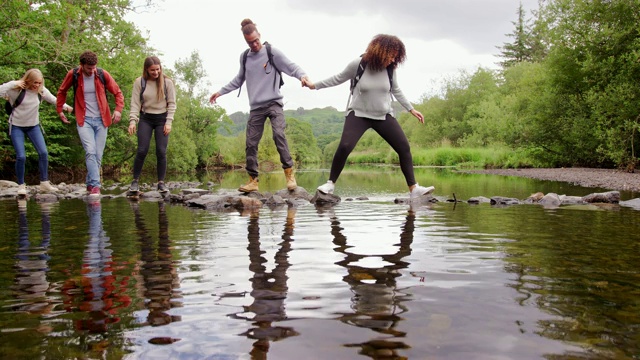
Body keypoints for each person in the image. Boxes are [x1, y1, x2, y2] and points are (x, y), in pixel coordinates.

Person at [304, 34, 435, 198]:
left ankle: (414, 189)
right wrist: (314, 85)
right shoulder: (359, 64)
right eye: (390, 55)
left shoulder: (390, 69)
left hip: (383, 115)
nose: (393, 59)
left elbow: (396, 89)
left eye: (396, 56)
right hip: (359, 114)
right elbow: (338, 78)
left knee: (404, 147)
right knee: (345, 146)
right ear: (380, 52)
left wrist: (411, 109)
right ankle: (330, 184)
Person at [209, 18, 310, 193]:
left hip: (274, 103)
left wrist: (303, 76)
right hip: (256, 107)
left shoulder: (272, 52)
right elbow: (238, 80)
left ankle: (289, 175)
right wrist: (220, 92)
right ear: (245, 41)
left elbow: (291, 66)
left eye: (256, 40)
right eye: (250, 42)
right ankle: (253, 181)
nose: (254, 45)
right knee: (251, 143)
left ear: (259, 35)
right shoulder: (245, 57)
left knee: (279, 134)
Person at [56, 50, 124, 198]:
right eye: (89, 68)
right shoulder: (73, 74)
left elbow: (118, 92)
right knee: (90, 151)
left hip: (102, 119)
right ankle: (96, 186)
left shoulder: (101, 74)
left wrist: (118, 110)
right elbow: (62, 91)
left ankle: (89, 183)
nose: (92, 70)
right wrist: (60, 109)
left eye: (94, 68)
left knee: (98, 155)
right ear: (82, 65)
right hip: (84, 119)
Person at [0, 69, 73, 195]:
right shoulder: (16, 90)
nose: (37, 85)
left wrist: (65, 107)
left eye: (39, 83)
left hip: (33, 126)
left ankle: (44, 183)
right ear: (27, 80)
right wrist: (14, 83)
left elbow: (54, 99)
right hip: (17, 126)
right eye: (35, 83)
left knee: (43, 153)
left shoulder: (42, 91)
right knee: (21, 156)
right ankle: (21, 185)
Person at [127, 56, 177, 193]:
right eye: (152, 70)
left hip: (162, 119)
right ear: (146, 70)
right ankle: (135, 181)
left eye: (157, 69)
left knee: (161, 151)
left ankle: (161, 183)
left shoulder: (167, 83)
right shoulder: (140, 82)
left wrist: (169, 122)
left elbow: (172, 103)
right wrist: (132, 121)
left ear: (160, 68)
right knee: (142, 150)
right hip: (146, 118)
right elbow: (135, 103)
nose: (155, 72)